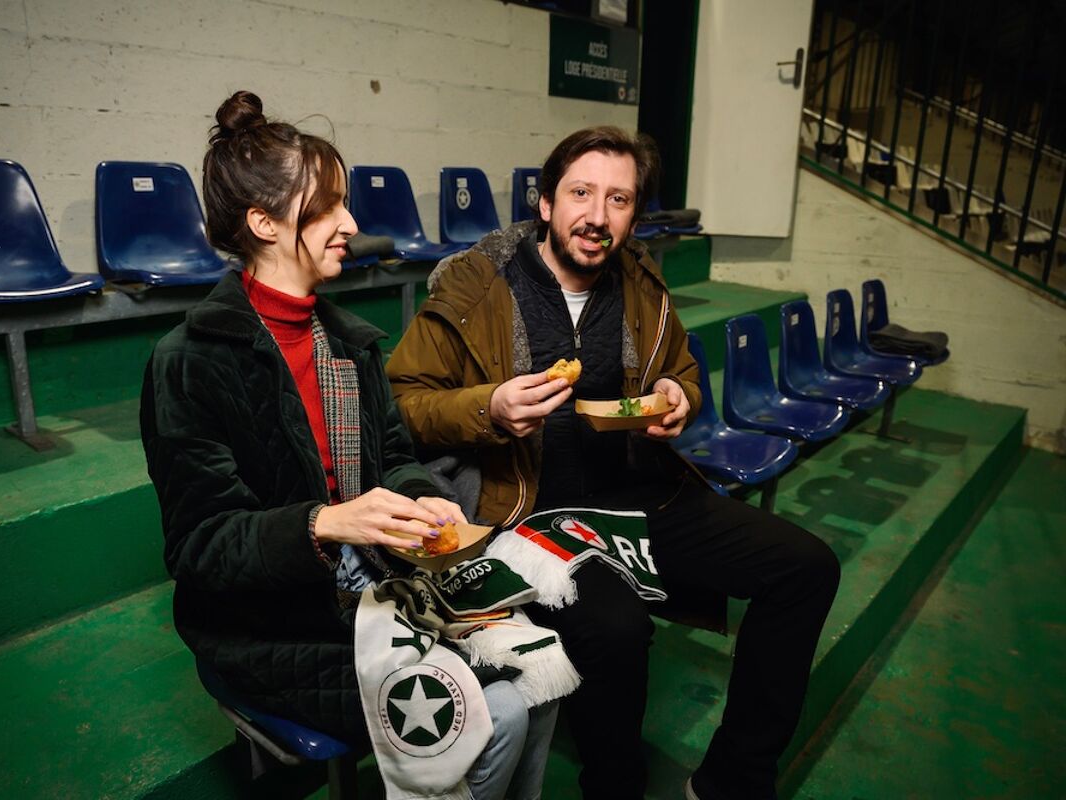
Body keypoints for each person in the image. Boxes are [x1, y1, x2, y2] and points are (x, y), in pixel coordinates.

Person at [386, 126, 841, 800]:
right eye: (581, 193)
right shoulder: (475, 287)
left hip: (642, 498)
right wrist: (489, 408)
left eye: (619, 200)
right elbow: (404, 402)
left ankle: (732, 781)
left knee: (806, 568)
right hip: (534, 515)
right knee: (616, 629)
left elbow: (680, 370)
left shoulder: (642, 285)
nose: (597, 216)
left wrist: (676, 398)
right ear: (545, 203)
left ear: (634, 213)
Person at [140, 90, 557, 800]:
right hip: (272, 628)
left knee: (539, 670)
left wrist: (431, 509)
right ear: (263, 222)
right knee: (500, 713)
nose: (351, 225)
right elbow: (201, 547)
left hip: (375, 586)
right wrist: (324, 522)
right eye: (328, 208)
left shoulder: (350, 343)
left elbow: (395, 460)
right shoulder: (190, 362)